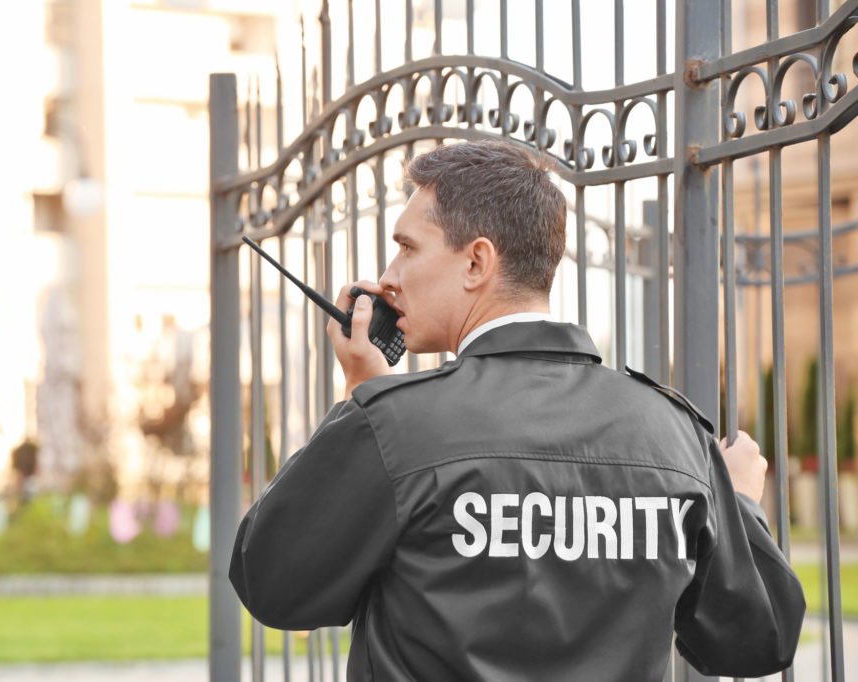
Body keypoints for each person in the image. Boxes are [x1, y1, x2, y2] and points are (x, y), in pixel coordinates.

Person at [229, 140, 805, 681]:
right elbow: (758, 639)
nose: (388, 277)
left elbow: (270, 581)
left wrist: (362, 405)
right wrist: (742, 505)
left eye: (407, 247)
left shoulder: (393, 426)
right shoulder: (675, 435)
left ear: (477, 262)